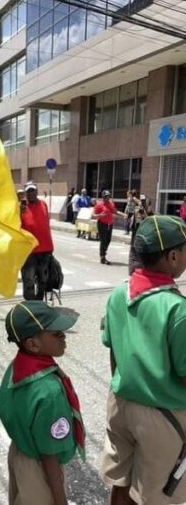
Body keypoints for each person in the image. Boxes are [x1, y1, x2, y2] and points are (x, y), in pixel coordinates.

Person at [100, 215, 186, 505]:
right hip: (163, 415)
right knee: (155, 495)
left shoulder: (118, 294)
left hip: (121, 401)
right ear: (172, 256)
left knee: (120, 482)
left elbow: (114, 354)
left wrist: (124, 388)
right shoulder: (177, 309)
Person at [0, 300, 82, 505]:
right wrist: (60, 500)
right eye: (55, 333)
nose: (63, 336)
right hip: (40, 468)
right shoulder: (49, 392)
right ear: (33, 344)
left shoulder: (18, 367)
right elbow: (49, 455)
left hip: (19, 452)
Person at [20, 183, 54, 300]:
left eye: (33, 191)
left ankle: (39, 303)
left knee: (43, 279)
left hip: (45, 249)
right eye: (28, 191)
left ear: (37, 192)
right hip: (29, 251)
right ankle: (30, 305)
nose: (31, 193)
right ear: (25, 193)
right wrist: (19, 213)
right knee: (28, 278)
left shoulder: (43, 204)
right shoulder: (21, 207)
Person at [94, 190, 123, 265]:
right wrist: (100, 215)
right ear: (103, 197)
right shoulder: (99, 204)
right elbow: (93, 215)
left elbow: (115, 211)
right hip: (102, 224)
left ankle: (104, 252)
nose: (108, 198)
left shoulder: (111, 203)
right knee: (103, 240)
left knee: (108, 240)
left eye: (109, 196)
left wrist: (124, 215)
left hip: (110, 224)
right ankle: (102, 256)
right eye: (106, 196)